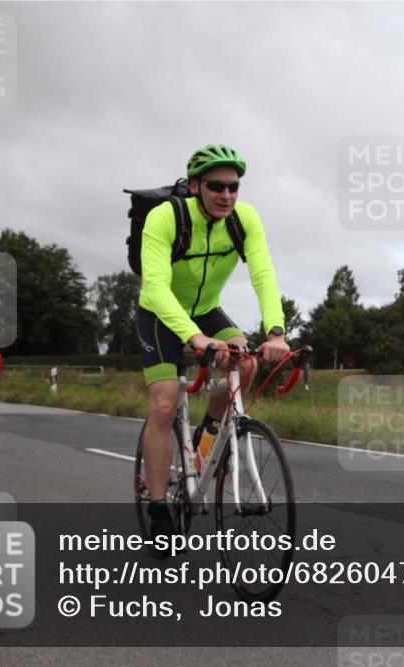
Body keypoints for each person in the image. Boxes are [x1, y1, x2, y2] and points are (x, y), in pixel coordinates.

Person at [136, 144, 289, 556]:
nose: (226, 195)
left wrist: (275, 330)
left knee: (248, 362)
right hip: (160, 314)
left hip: (206, 309)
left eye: (234, 187)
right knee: (165, 402)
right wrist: (195, 338)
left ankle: (206, 437)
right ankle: (157, 507)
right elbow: (155, 286)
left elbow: (262, 273)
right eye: (217, 186)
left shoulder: (244, 219)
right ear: (196, 186)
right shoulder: (165, 217)